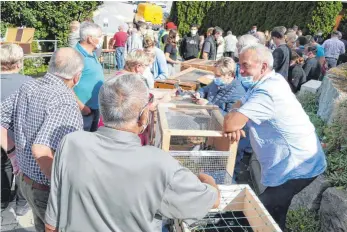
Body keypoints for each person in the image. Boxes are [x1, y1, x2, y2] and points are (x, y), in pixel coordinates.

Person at [44, 73, 220, 232]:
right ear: (144, 116)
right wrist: (207, 179)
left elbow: (51, 224)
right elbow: (212, 200)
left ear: (103, 113)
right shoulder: (159, 164)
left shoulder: (71, 143)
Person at [223, 44, 327, 230]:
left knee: (255, 212)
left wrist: (235, 117)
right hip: (290, 163)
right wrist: (237, 115)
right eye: (240, 65)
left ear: (263, 67)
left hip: (298, 165)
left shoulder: (267, 91)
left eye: (246, 65)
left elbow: (231, 123)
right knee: (275, 212)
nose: (241, 70)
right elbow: (237, 110)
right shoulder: (268, 81)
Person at [1, 47, 84, 232]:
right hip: (46, 188)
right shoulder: (64, 100)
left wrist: (14, 154)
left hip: (26, 180)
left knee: (40, 225)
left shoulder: (28, 85)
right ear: (77, 77)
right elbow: (40, 150)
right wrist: (60, 185)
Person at [0, 44, 31, 215]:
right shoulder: (29, 84)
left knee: (2, 166)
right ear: (19, 63)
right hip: (20, 136)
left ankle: (3, 200)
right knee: (22, 168)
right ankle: (21, 204)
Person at [74, 22, 105, 132]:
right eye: (100, 36)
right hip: (82, 111)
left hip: (94, 108)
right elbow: (65, 85)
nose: (102, 39)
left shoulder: (91, 53)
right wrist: (82, 107)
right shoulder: (75, 55)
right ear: (90, 39)